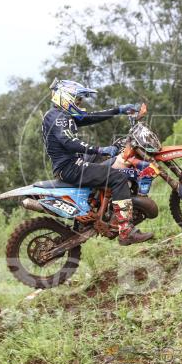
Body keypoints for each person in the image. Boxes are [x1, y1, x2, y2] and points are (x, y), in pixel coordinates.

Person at [42, 79, 154, 246]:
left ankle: (99, 206)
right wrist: (99, 149)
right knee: (118, 177)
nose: (80, 102)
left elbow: (90, 117)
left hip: (72, 163)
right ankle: (126, 232)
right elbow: (69, 142)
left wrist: (118, 110)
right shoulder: (58, 117)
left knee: (111, 160)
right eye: (77, 99)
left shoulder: (60, 114)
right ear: (65, 97)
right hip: (70, 167)